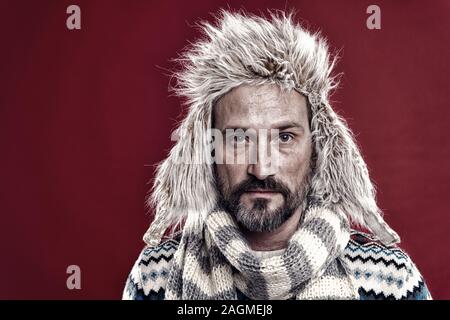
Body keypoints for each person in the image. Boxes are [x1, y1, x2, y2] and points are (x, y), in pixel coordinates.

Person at [123, 10, 431, 300]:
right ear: (207, 149)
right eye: (238, 137)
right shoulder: (155, 276)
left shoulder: (389, 278)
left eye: (284, 137)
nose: (261, 168)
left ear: (317, 150)